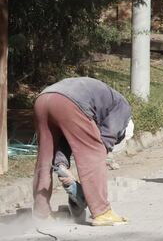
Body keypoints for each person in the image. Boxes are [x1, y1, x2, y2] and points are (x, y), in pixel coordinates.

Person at [32, 77, 134, 226]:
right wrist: (101, 154)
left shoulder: (103, 104)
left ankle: (41, 213)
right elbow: (105, 140)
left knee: (45, 158)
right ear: (124, 131)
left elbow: (65, 139)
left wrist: (61, 164)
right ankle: (102, 212)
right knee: (95, 152)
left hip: (43, 99)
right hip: (71, 102)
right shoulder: (123, 109)